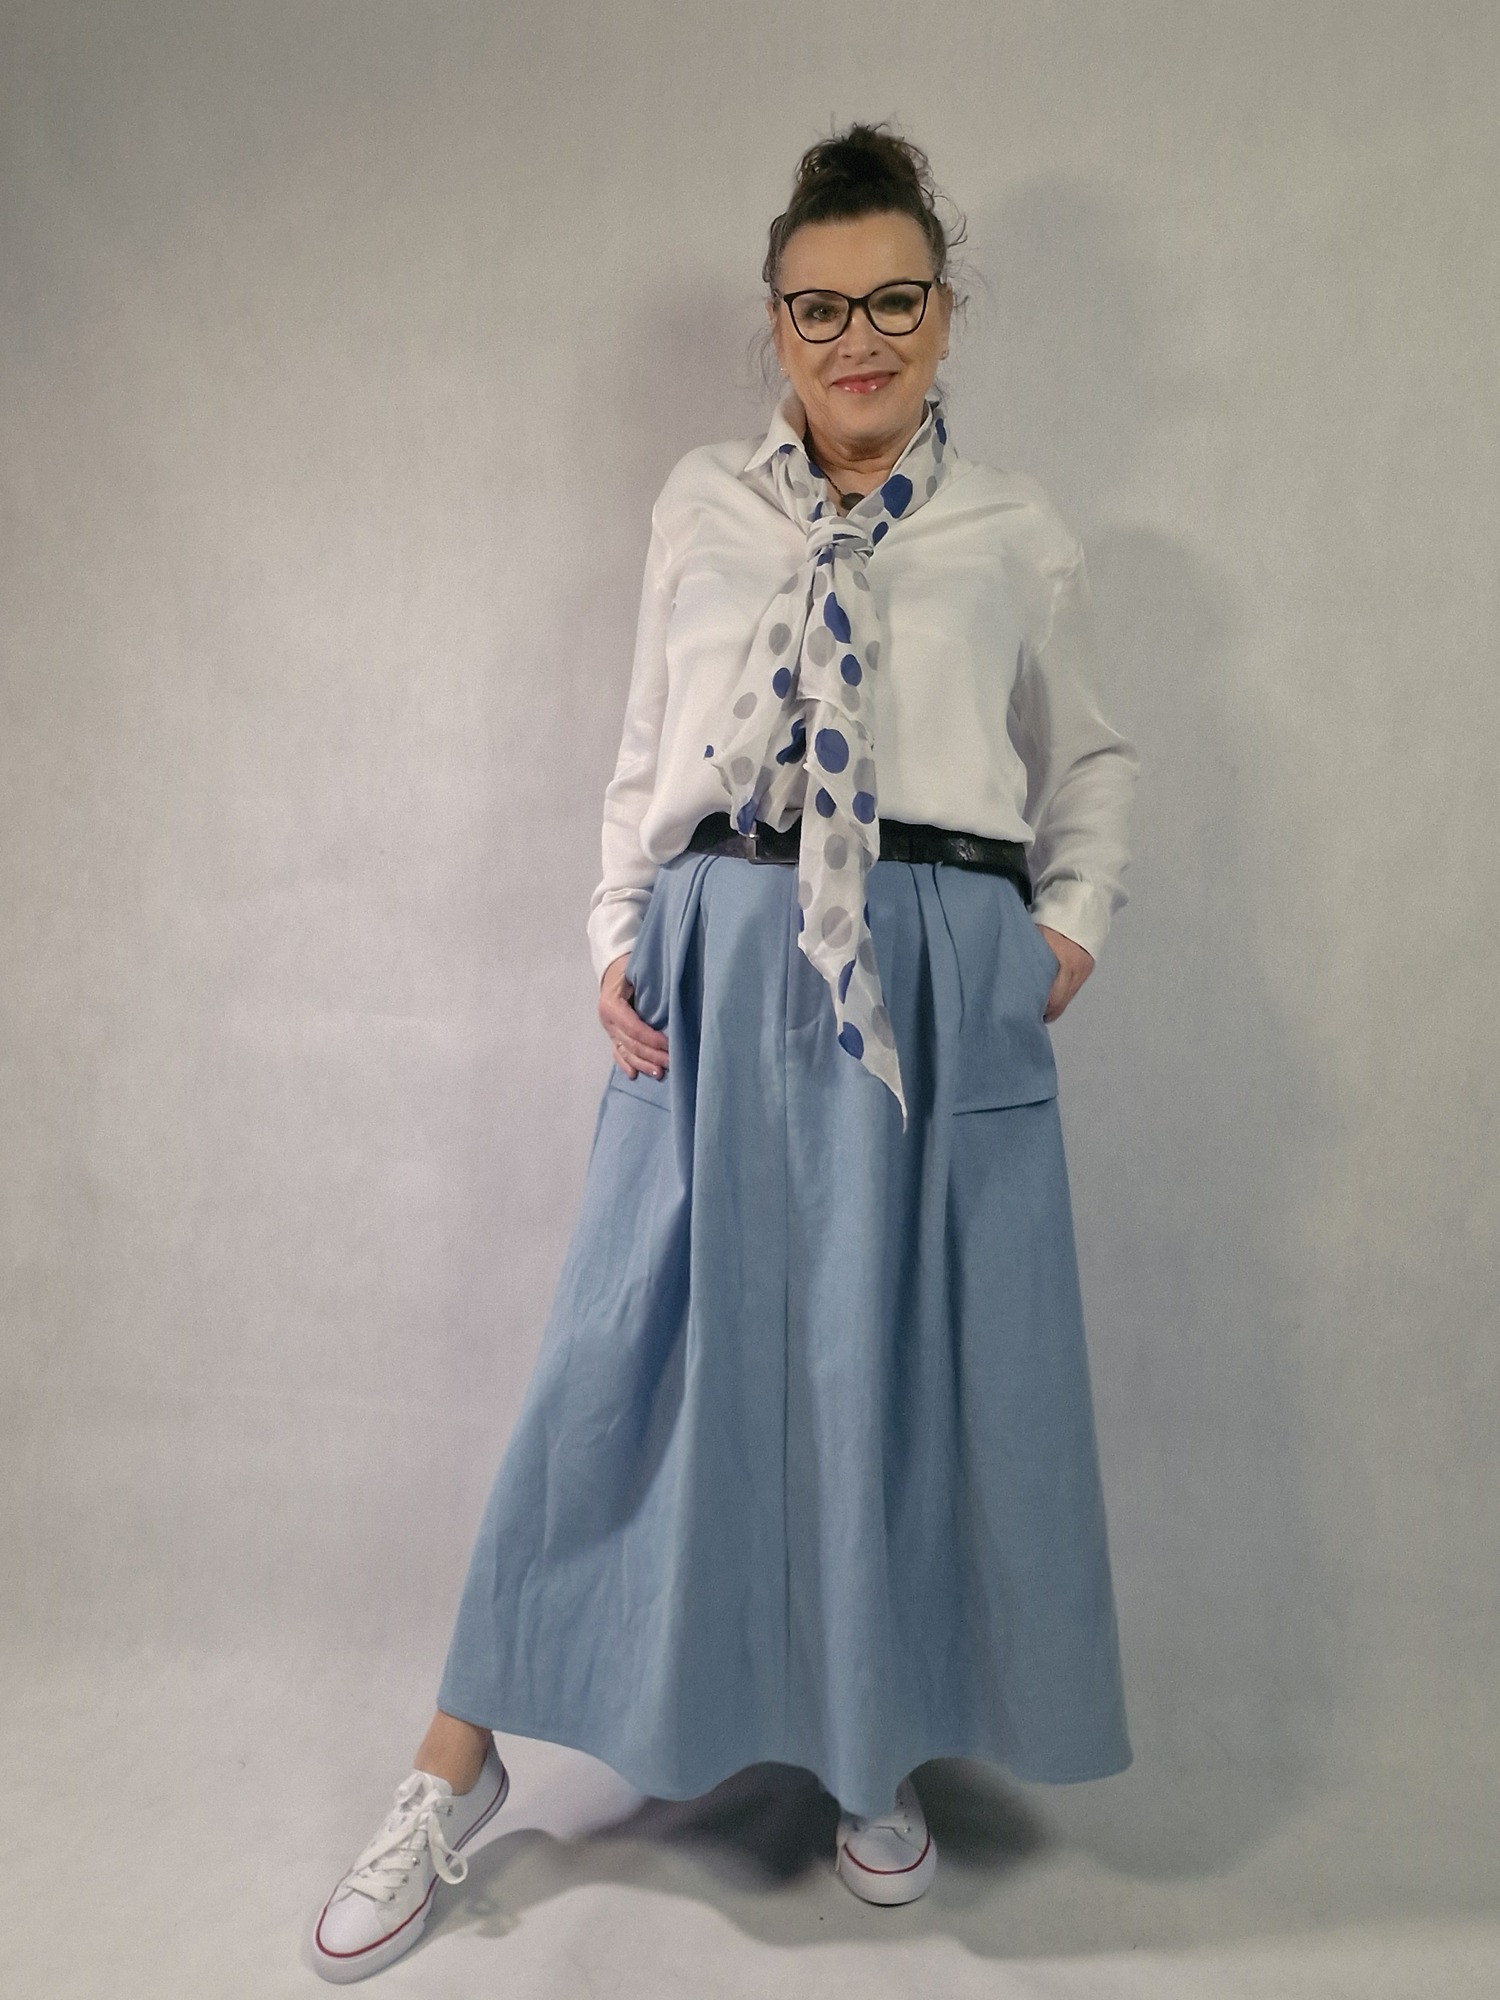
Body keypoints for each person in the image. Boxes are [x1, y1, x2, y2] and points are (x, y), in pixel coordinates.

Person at [310, 120, 1139, 1983]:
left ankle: (867, 1743)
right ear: (775, 324)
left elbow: (1089, 759)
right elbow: (643, 746)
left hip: (929, 970)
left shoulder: (1016, 530)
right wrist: (617, 935)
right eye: (819, 307)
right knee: (614, 1358)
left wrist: (1066, 925)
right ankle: (455, 1766)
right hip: (721, 944)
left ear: (946, 313)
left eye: (895, 300)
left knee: (887, 1365)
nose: (859, 340)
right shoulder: (701, 503)